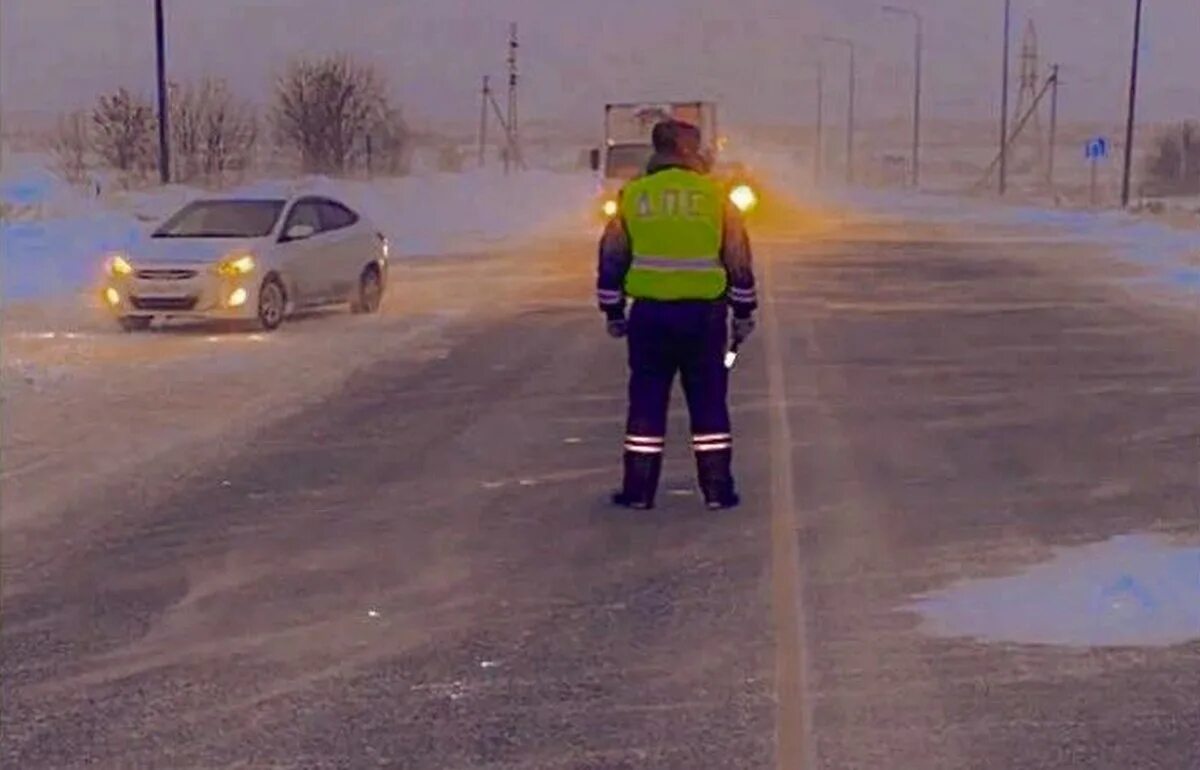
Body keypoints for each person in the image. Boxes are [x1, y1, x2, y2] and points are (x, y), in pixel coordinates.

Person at [596, 118, 758, 511]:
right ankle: (718, 490)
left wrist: (613, 310)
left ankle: (638, 491)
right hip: (704, 318)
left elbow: (612, 256)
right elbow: (737, 258)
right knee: (709, 401)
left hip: (649, 319)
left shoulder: (635, 195)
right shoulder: (715, 197)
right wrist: (743, 311)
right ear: (689, 151)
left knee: (647, 402)